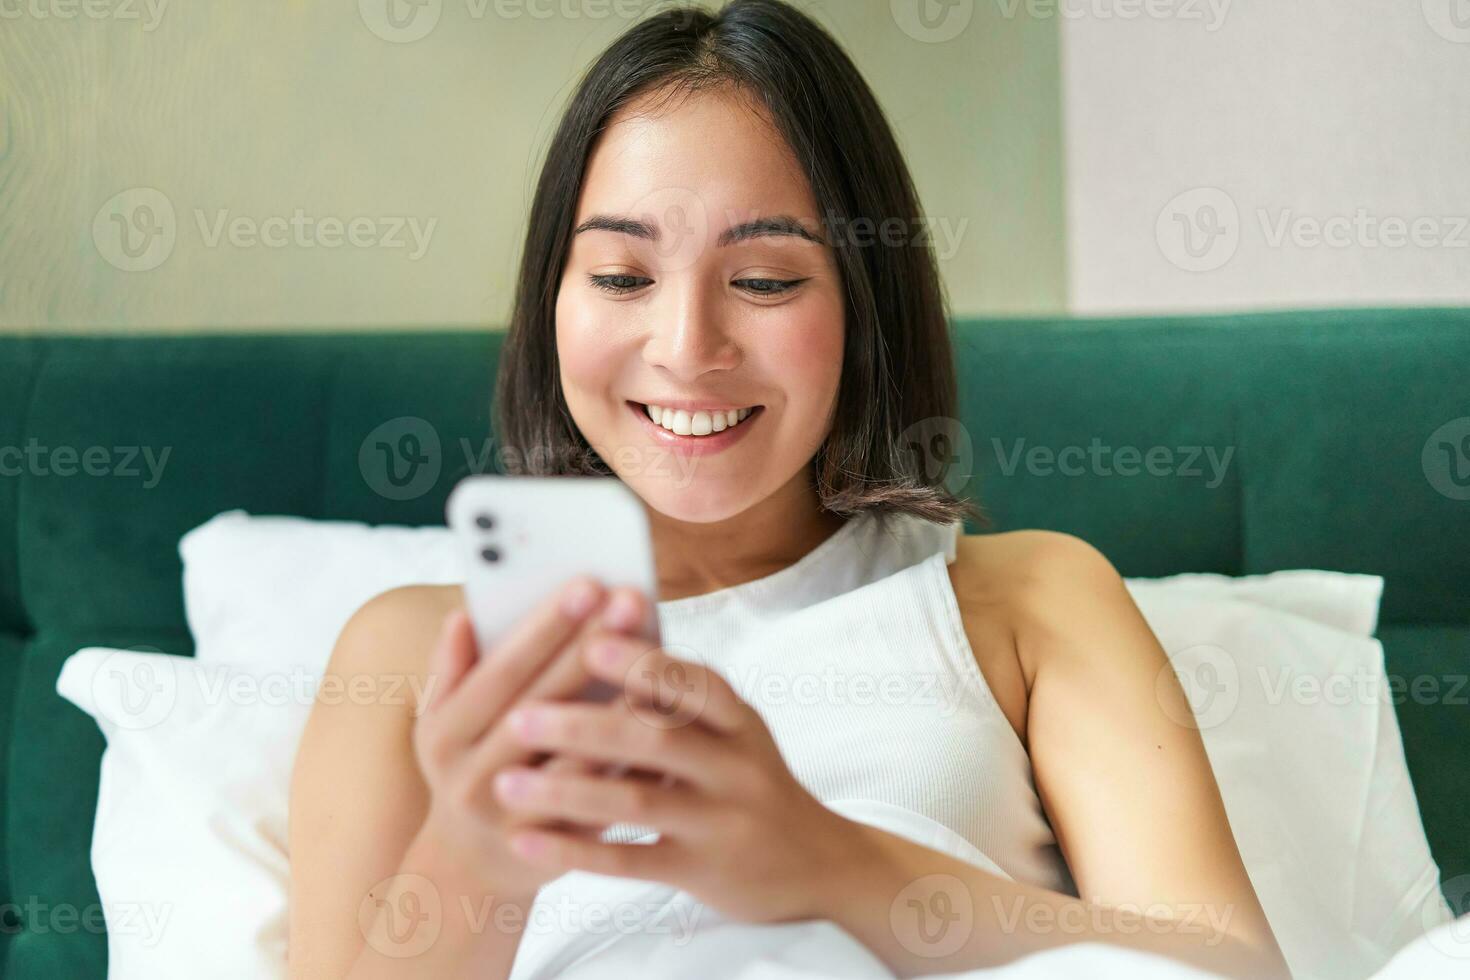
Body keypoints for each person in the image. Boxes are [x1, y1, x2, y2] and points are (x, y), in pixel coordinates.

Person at [289, 2, 1289, 976]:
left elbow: (1233, 968)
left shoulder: (1029, 600)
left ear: (864, 304)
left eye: (765, 280)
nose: (687, 349)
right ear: (552, 299)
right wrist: (480, 857)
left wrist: (823, 859)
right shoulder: (414, 649)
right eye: (622, 276)